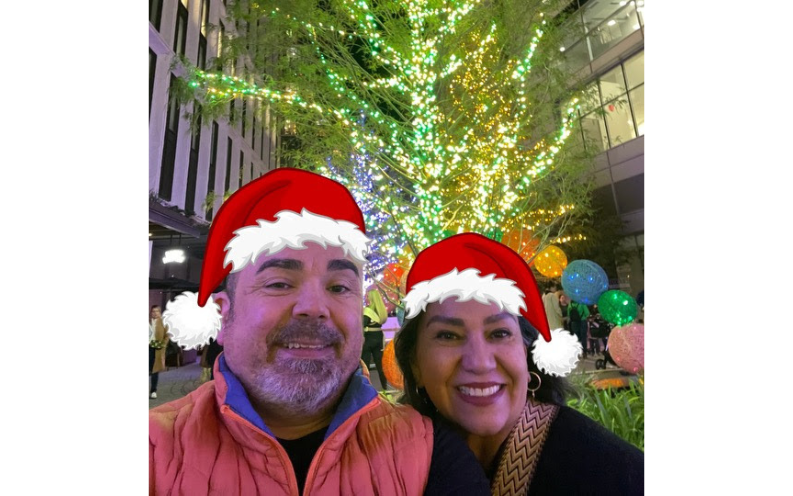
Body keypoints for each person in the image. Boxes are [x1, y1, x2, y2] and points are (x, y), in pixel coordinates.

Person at [150, 169, 489, 495]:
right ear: (224, 315)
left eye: (340, 288)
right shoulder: (151, 449)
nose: (314, 307)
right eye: (280, 283)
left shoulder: (429, 452)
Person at [395, 233, 644, 495]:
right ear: (415, 365)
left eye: (499, 333)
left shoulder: (608, 471)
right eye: (448, 336)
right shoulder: (393, 466)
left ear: (526, 354)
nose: (479, 363)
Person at [362, 287, 389, 390]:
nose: (366, 298)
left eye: (368, 296)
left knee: (366, 366)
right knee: (380, 366)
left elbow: (362, 325)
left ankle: (366, 390)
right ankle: (385, 389)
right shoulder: (381, 312)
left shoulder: (368, 311)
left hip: (368, 339)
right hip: (379, 338)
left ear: (371, 298)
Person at [148, 305, 169, 399]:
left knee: (154, 371)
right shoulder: (148, 322)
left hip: (157, 349)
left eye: (157, 311)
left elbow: (167, 335)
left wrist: (163, 344)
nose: (155, 313)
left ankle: (153, 390)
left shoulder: (164, 323)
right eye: (153, 311)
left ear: (160, 313)